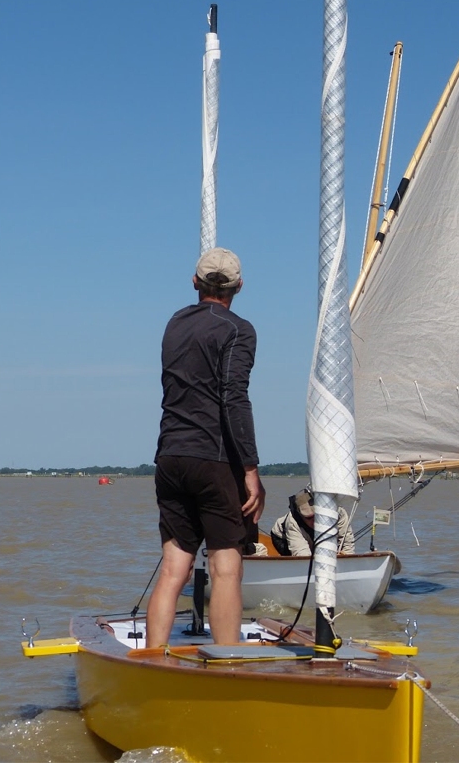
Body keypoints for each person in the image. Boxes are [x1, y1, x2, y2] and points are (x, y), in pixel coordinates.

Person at [146, 247, 266, 648]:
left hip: (170, 456)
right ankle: (228, 661)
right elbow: (234, 397)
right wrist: (250, 469)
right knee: (225, 565)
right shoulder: (237, 330)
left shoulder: (174, 324)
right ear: (239, 287)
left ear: (195, 283)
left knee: (173, 568)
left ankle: (153, 658)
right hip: (213, 459)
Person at [270, 487, 356, 556]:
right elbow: (301, 555)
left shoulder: (338, 513)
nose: (315, 521)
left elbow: (347, 544)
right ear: (301, 515)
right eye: (309, 518)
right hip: (282, 537)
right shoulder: (293, 521)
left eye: (317, 516)